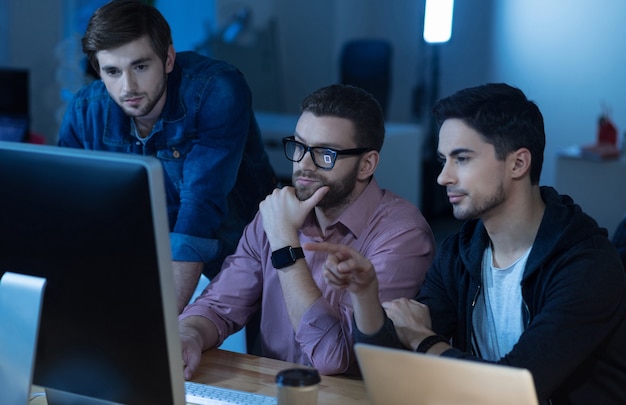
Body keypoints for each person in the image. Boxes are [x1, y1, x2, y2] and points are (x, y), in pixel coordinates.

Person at [309, 83, 626, 403]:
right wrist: (365, 295)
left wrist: (425, 341)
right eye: (443, 160)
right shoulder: (460, 253)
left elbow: (517, 391)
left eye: (461, 159)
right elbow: (394, 363)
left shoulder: (586, 264)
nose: (443, 177)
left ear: (518, 164)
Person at [178, 84, 435, 377]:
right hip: (273, 393)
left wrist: (285, 244)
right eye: (299, 146)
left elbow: (333, 358)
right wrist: (190, 333)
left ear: (366, 164)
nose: (303, 165)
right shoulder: (276, 214)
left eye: (325, 154)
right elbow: (219, 306)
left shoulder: (402, 235)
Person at [57, 0, 277, 313]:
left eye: (141, 66)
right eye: (113, 72)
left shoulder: (216, 91)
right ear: (99, 71)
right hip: (138, 261)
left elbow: (199, 210)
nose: (128, 87)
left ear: (169, 58)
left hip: (235, 262)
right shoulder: (84, 111)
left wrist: (156, 330)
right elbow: (69, 211)